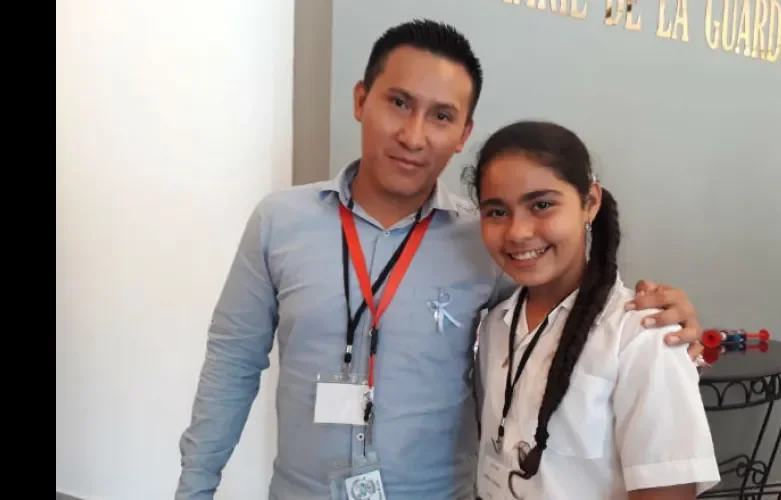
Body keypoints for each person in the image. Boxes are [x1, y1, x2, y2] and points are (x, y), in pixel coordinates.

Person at [175, 19, 706, 500]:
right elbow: (232, 365)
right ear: (361, 100)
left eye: (441, 116)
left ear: (463, 134)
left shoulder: (488, 239)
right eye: (398, 103)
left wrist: (664, 314)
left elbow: (565, 305)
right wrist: (195, 488)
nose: (413, 135)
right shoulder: (279, 222)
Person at [468, 120, 719, 500]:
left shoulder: (640, 335)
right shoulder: (495, 325)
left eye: (542, 205)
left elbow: (667, 491)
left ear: (590, 203)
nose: (518, 232)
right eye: (497, 212)